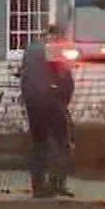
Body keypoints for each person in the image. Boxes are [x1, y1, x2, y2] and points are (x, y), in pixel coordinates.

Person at [20, 22, 78, 199]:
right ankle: (56, 183)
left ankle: (38, 186)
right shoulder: (56, 50)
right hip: (52, 101)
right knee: (61, 144)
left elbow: (25, 77)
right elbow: (65, 80)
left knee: (39, 144)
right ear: (57, 36)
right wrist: (63, 100)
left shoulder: (30, 51)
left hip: (33, 103)